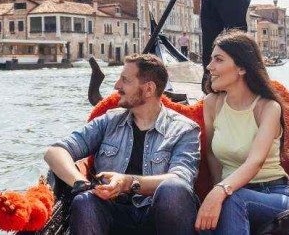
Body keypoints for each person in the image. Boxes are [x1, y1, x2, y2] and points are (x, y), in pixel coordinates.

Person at [43, 54, 201, 235]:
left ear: (149, 89)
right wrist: (82, 184)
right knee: (84, 201)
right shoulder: (109, 121)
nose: (116, 85)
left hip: (158, 216)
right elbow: (55, 152)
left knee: (173, 190)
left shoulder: (184, 129)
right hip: (114, 213)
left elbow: (181, 179)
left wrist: (127, 182)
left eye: (125, 80)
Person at [195, 30, 289, 234]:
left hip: (274, 193)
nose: (209, 67)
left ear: (242, 68)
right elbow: (211, 154)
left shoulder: (268, 107)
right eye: (211, 60)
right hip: (231, 192)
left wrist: (220, 192)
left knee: (235, 199)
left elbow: (255, 161)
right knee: (208, 223)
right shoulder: (212, 104)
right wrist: (218, 194)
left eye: (218, 60)